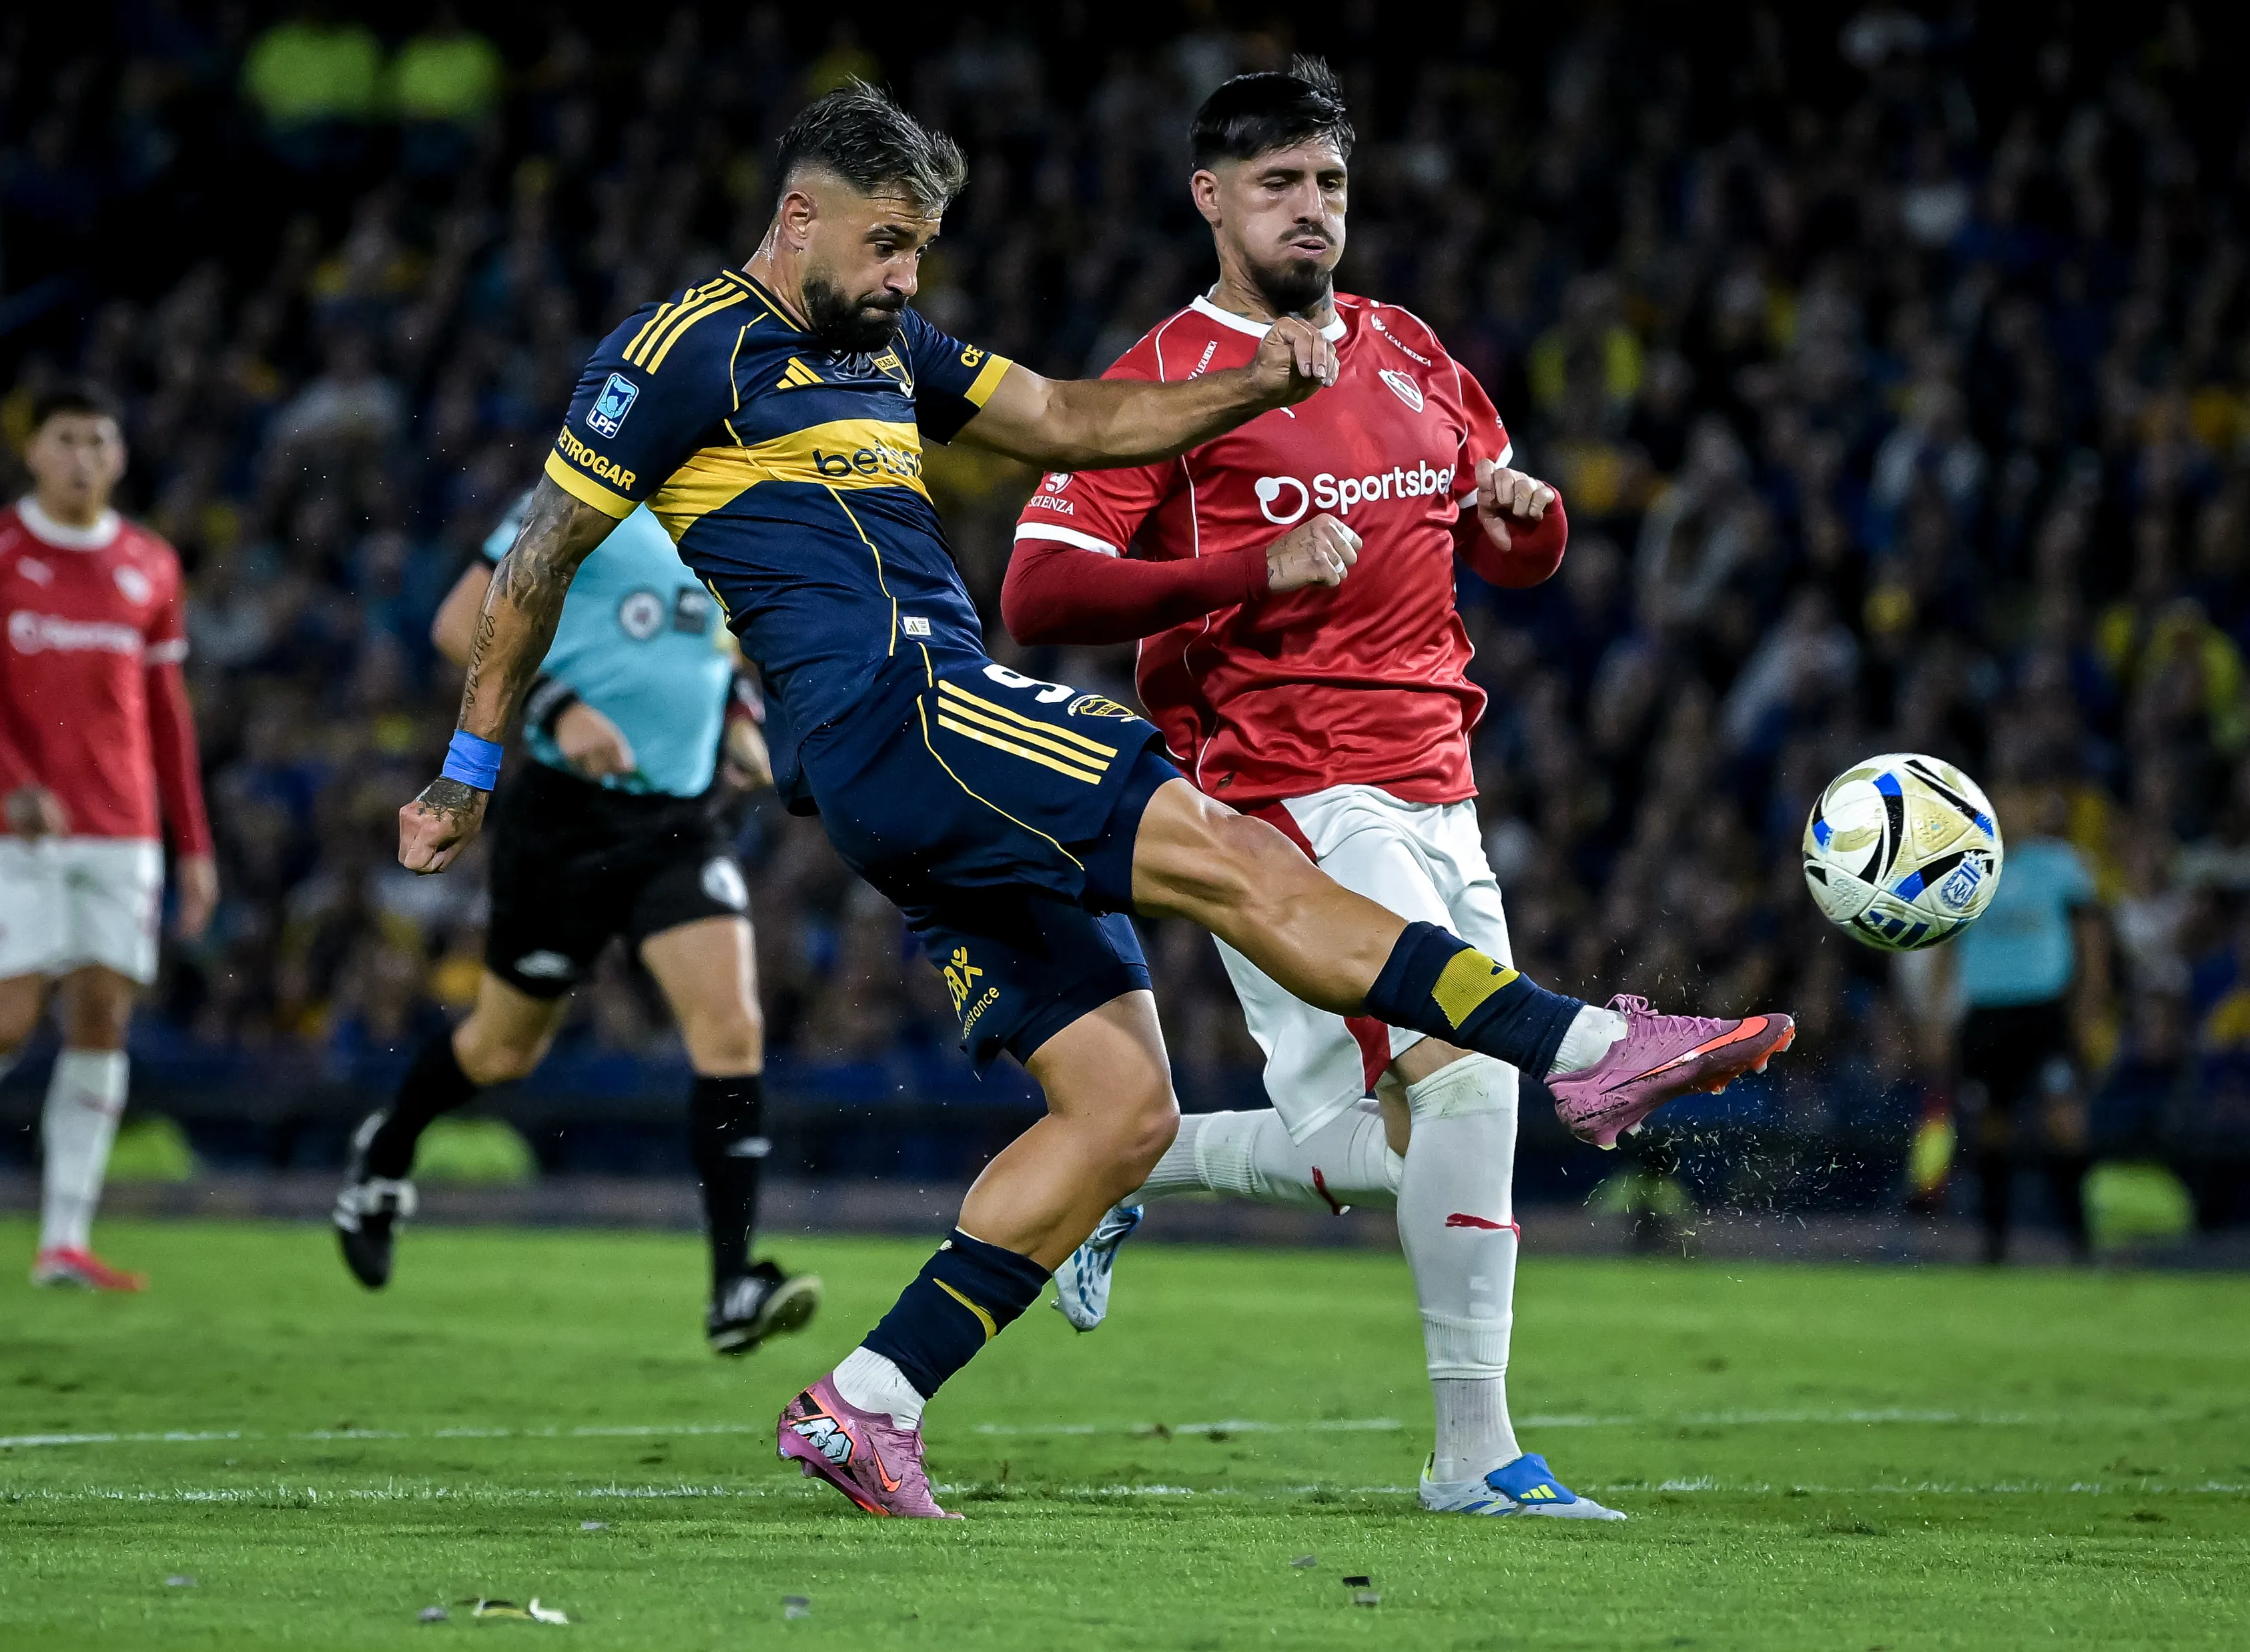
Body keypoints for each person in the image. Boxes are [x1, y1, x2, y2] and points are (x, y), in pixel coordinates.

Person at [394, 82, 1794, 1519]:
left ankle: (866, 1401)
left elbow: (1064, 415)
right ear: (796, 214)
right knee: (1234, 853)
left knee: (1121, 1110)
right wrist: (471, 769)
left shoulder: (890, 342)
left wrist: (1254, 385)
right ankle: (1587, 1041)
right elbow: (539, 558)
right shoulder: (680, 349)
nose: (905, 279)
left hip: (901, 763)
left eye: (922, 249)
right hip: (910, 706)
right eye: (885, 244)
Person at [1004, 60, 1622, 1519]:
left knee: (1424, 1133)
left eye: (1328, 182)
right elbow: (1038, 590)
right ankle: (1475, 1454)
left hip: (1434, 776)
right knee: (1470, 1075)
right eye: (1278, 184)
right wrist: (1243, 567)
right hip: (1277, 788)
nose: (1311, 211)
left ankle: (1134, 1165)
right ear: (1210, 199)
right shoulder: (1164, 378)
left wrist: (1525, 528)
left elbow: (1502, 545)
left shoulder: (1408, 349)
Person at [332, 492, 818, 1356]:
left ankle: (733, 1288)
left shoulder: (729, 506)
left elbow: (712, 643)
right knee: (504, 1050)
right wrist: (555, 705)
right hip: (564, 822)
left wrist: (739, 717)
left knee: (732, 1028)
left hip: (679, 824)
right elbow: (459, 622)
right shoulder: (577, 499)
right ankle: (387, 1149)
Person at [0, 382, 217, 1291]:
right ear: (32, 451)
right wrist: (8, 784)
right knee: (3, 1016)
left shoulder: (150, 563)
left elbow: (166, 714)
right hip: (12, 827)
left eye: (98, 441)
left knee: (102, 1013)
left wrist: (192, 844)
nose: (83, 457)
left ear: (119, 457)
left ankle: (63, 1243)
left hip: (122, 827)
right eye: (66, 439)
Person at [1942, 782, 2107, 1262]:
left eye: (2018, 800)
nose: (2009, 811)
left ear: (2036, 807)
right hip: (1987, 1010)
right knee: (1992, 1124)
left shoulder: (2061, 864)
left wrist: (2090, 1006)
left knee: (2064, 1119)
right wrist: (1937, 1012)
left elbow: (2090, 940)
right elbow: (1946, 946)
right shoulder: (1963, 870)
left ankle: (2080, 1240)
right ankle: (1994, 1245)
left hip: (2044, 1008)